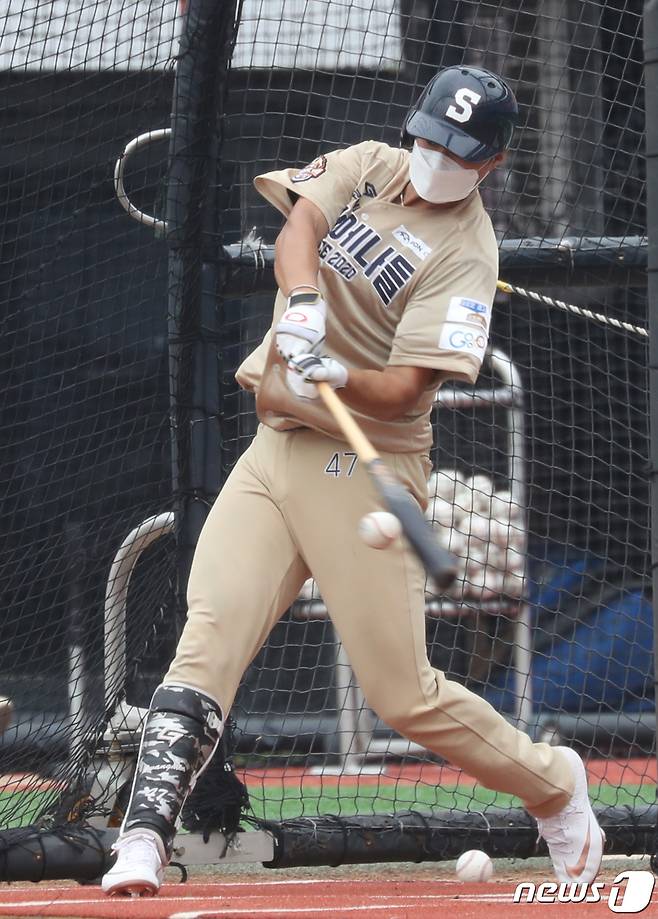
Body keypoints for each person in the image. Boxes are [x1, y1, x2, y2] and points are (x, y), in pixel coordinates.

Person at [101, 65, 604, 896]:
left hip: (363, 462)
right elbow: (302, 222)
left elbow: (409, 388)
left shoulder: (467, 254)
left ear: (493, 162)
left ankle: (555, 781)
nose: (434, 156)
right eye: (430, 137)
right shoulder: (373, 161)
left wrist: (336, 367)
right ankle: (145, 836)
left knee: (403, 695)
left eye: (457, 150)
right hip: (273, 451)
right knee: (209, 636)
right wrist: (302, 301)